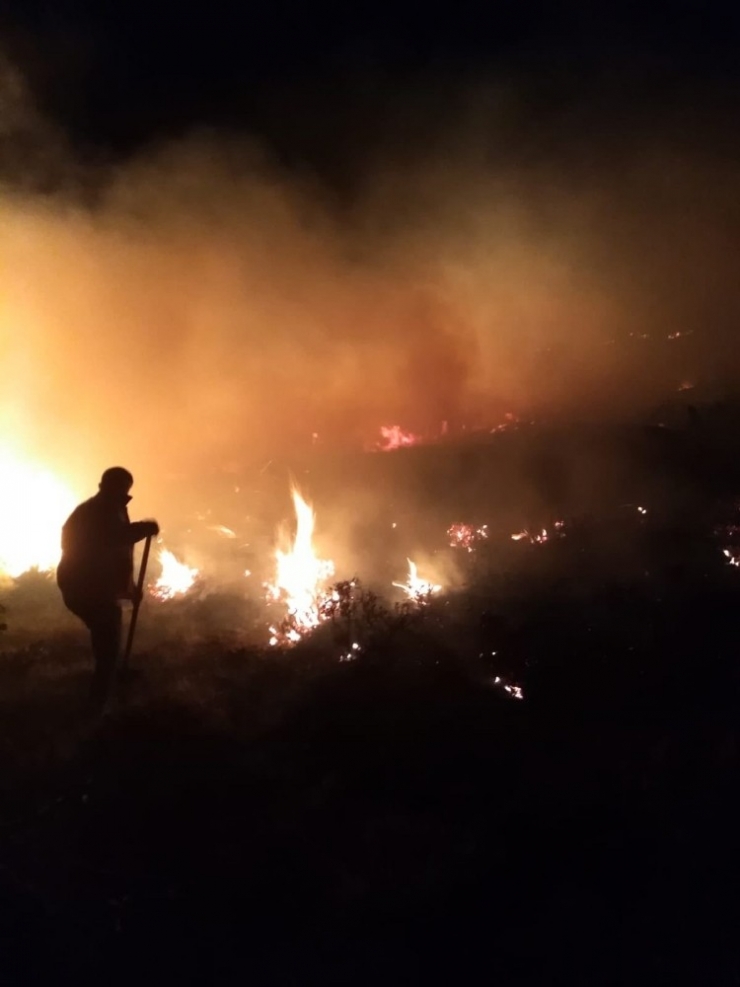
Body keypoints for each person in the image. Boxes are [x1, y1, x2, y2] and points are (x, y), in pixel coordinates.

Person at [57, 467, 159, 704]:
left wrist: (129, 589)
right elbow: (111, 538)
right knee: (108, 646)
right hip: (87, 587)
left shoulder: (108, 508)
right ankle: (99, 706)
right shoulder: (98, 510)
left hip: (91, 585)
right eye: (122, 487)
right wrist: (142, 529)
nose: (124, 492)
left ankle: (107, 689)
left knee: (108, 642)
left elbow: (117, 555)